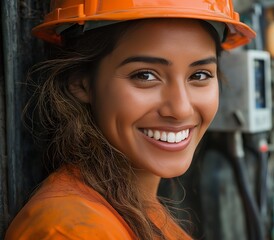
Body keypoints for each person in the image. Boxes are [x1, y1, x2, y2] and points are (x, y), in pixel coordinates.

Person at [5, 1, 255, 239]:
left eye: (199, 74)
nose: (180, 109)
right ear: (81, 82)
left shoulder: (139, 212)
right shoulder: (70, 230)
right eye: (145, 75)